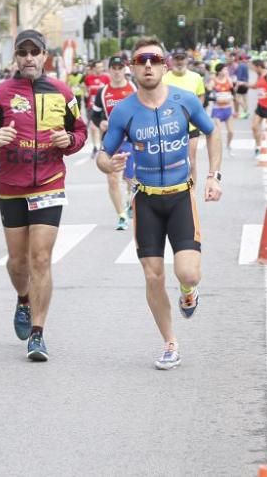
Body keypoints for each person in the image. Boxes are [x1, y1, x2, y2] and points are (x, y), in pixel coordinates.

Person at [96, 38, 222, 370]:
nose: (148, 66)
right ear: (133, 68)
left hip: (181, 197)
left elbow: (213, 132)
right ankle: (170, 342)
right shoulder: (124, 110)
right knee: (153, 277)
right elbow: (103, 153)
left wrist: (213, 176)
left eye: (154, 59)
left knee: (188, 272)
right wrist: (107, 165)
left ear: (165, 66)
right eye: (141, 60)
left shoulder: (185, 100)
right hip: (147, 202)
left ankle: (188, 291)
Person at [0, 29, 87, 362]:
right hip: (11, 186)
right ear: (16, 58)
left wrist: (71, 142)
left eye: (35, 52)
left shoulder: (63, 92)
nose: (29, 58)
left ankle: (38, 333)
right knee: (18, 262)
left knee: (41, 259)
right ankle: (23, 298)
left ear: (45, 56)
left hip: (49, 182)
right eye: (23, 52)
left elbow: (80, 131)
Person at [90, 55, 136, 230]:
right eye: (113, 68)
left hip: (132, 140)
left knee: (130, 178)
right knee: (112, 179)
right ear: (109, 70)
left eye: (120, 68)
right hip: (112, 140)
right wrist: (100, 123)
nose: (117, 72)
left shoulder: (133, 87)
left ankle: (130, 200)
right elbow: (94, 115)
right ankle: (121, 216)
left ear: (125, 69)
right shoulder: (103, 92)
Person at [162, 48, 206, 178]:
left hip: (191, 126)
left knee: (191, 161)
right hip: (170, 127)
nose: (179, 62)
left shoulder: (196, 77)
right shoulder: (164, 79)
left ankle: (191, 194)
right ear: (171, 60)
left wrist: (196, 113)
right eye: (177, 59)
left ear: (187, 60)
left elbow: (201, 96)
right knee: (171, 162)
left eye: (182, 59)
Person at [82, 59, 110, 157]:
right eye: (98, 67)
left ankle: (102, 146)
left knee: (102, 127)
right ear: (94, 68)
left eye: (101, 67)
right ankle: (95, 147)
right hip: (91, 105)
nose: (100, 69)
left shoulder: (106, 78)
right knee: (93, 127)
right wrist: (85, 94)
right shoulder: (88, 78)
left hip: (103, 105)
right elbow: (85, 89)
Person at [209, 63, 235, 154]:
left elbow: (233, 94)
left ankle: (228, 145)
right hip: (217, 110)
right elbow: (208, 93)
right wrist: (215, 97)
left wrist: (233, 108)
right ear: (219, 71)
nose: (227, 71)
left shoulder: (229, 80)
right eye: (225, 69)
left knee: (231, 132)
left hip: (228, 109)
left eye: (227, 70)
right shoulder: (214, 81)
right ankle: (218, 149)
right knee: (218, 132)